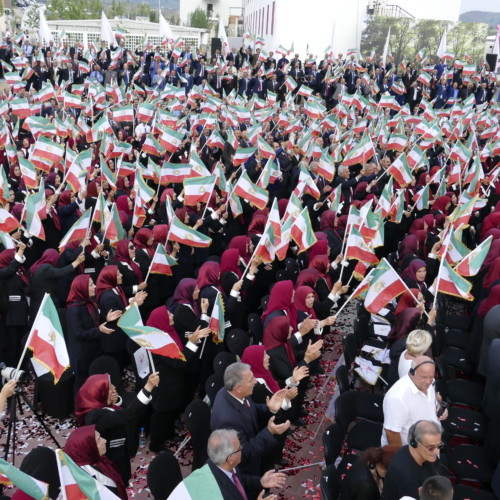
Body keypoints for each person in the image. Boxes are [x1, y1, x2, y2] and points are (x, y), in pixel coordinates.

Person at [75, 371, 159, 483]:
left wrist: (115, 401)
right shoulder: (96, 417)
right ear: (99, 393)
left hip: (119, 452)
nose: (114, 388)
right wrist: (148, 387)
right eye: (109, 387)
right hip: (112, 460)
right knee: (117, 482)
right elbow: (128, 413)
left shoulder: (97, 407)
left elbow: (116, 411)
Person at [210, 362, 290, 475]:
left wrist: (269, 408)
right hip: (247, 469)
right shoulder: (228, 420)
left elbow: (250, 407)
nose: (255, 381)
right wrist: (269, 432)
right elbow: (245, 452)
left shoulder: (231, 391)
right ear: (238, 388)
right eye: (251, 379)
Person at [168, 428, 286, 500]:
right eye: (239, 449)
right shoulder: (220, 495)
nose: (242, 449)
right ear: (230, 459)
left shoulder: (218, 464)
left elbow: (238, 480)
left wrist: (260, 482)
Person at [381, 356, 446, 447]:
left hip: (430, 443)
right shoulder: (397, 398)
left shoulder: (429, 382)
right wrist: (403, 458)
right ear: (412, 373)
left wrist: (439, 406)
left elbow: (432, 398)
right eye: (424, 377)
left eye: (431, 377)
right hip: (413, 451)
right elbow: (391, 433)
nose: (428, 381)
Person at [382, 421, 447, 500]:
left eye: (439, 445)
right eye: (431, 448)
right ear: (414, 443)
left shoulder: (425, 455)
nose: (436, 452)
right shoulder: (406, 477)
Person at [64, 425, 128, 500]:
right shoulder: (85, 480)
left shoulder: (99, 459)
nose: (105, 440)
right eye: (98, 440)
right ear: (87, 449)